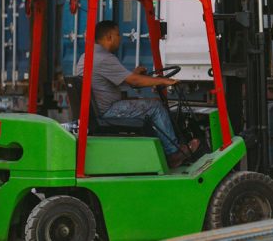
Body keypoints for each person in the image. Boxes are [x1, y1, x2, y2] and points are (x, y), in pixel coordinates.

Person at [76, 20, 199, 168]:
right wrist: (162, 81)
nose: (120, 38)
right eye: (117, 34)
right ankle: (174, 153)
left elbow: (124, 79)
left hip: (99, 110)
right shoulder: (104, 58)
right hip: (108, 111)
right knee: (155, 106)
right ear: (109, 36)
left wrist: (135, 75)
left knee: (145, 102)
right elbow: (134, 82)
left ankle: (162, 150)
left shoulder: (88, 55)